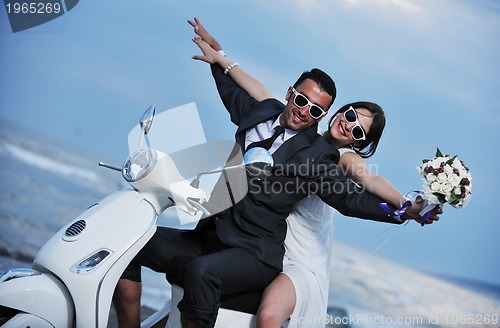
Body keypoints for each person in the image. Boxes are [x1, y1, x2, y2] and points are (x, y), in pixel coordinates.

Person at [113, 18, 440, 328]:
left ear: (321, 115)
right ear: (290, 94)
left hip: (254, 251)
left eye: (314, 110)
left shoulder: (322, 156)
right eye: (300, 100)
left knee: (202, 273)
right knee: (128, 243)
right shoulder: (261, 111)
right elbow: (234, 89)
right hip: (210, 232)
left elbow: (350, 197)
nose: (303, 111)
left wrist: (404, 209)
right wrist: (218, 57)